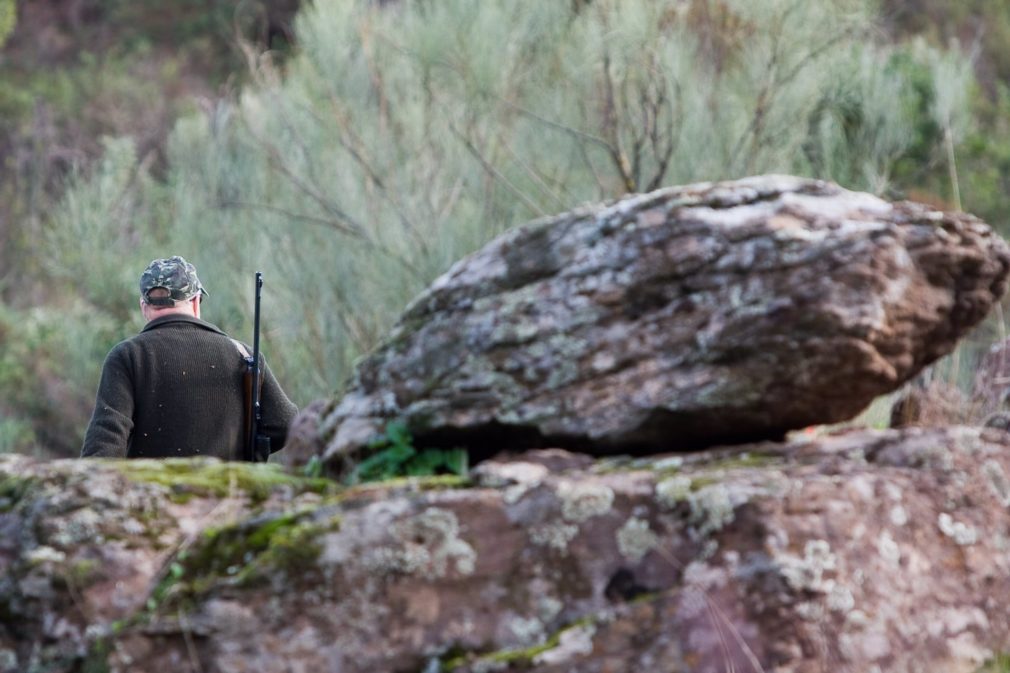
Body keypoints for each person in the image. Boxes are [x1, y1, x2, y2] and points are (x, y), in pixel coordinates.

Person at [81, 256, 298, 460]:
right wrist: (248, 448)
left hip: (154, 496)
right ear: (195, 301)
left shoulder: (127, 356)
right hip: (227, 493)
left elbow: (105, 444)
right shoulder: (244, 355)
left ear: (144, 307)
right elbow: (286, 424)